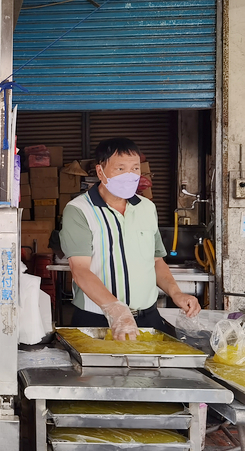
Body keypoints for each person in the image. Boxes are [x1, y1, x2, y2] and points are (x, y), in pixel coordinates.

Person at [60, 138, 201, 340]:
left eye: (135, 168)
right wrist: (117, 311)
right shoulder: (79, 210)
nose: (130, 175)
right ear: (100, 172)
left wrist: (176, 293)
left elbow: (156, 261)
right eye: (120, 168)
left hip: (147, 318)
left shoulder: (146, 208)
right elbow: (80, 270)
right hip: (98, 320)